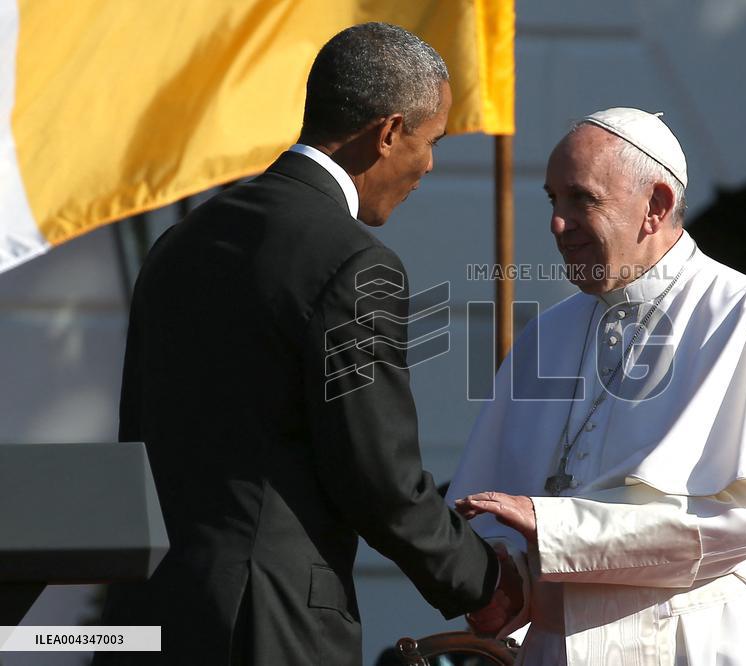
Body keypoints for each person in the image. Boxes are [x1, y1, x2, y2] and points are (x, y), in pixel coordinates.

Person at [95, 23, 519, 666]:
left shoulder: (181, 243)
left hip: (147, 614)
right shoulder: (355, 264)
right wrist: (483, 582)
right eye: (430, 141)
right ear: (388, 132)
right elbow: (376, 474)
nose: (431, 164)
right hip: (267, 625)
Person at [448, 107, 746, 665]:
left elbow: (739, 525)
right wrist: (508, 580)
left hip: (706, 647)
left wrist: (552, 524)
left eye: (581, 199)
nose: (557, 224)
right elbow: (520, 523)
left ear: (655, 207)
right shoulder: (550, 333)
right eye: (552, 200)